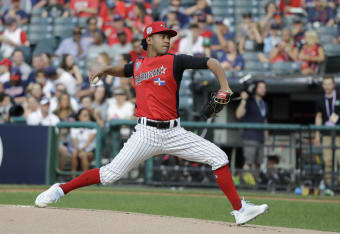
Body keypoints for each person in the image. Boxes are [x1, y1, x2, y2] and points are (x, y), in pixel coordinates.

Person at [35, 21, 269, 225]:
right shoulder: (137, 65)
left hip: (175, 132)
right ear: (149, 39)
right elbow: (124, 70)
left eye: (169, 37)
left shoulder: (175, 61)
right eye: (163, 36)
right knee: (109, 175)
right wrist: (105, 69)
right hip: (145, 133)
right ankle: (59, 190)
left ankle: (239, 210)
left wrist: (225, 87)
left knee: (219, 158)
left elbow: (213, 62)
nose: (168, 40)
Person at [235, 80, 269, 186]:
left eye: (264, 87)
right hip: (250, 136)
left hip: (261, 138)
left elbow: (265, 122)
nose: (263, 89)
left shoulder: (264, 104)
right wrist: (244, 100)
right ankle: (243, 184)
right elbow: (238, 115)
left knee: (259, 163)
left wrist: (267, 138)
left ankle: (255, 184)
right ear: (255, 89)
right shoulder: (249, 101)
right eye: (261, 87)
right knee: (248, 162)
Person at [315, 75, 340, 187]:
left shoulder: (339, 96)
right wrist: (317, 135)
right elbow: (319, 117)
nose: (327, 86)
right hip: (326, 134)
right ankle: (329, 186)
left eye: (329, 84)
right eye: (325, 84)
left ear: (334, 85)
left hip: (339, 134)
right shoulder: (320, 99)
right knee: (327, 161)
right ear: (323, 85)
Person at [70, 108, 97, 178]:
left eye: (88, 115)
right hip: (78, 151)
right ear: (79, 117)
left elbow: (89, 142)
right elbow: (74, 143)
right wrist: (79, 150)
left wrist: (81, 150)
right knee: (74, 154)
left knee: (83, 155)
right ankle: (73, 178)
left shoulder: (93, 126)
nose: (87, 117)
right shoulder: (74, 127)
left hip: (90, 152)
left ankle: (85, 179)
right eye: (84, 115)